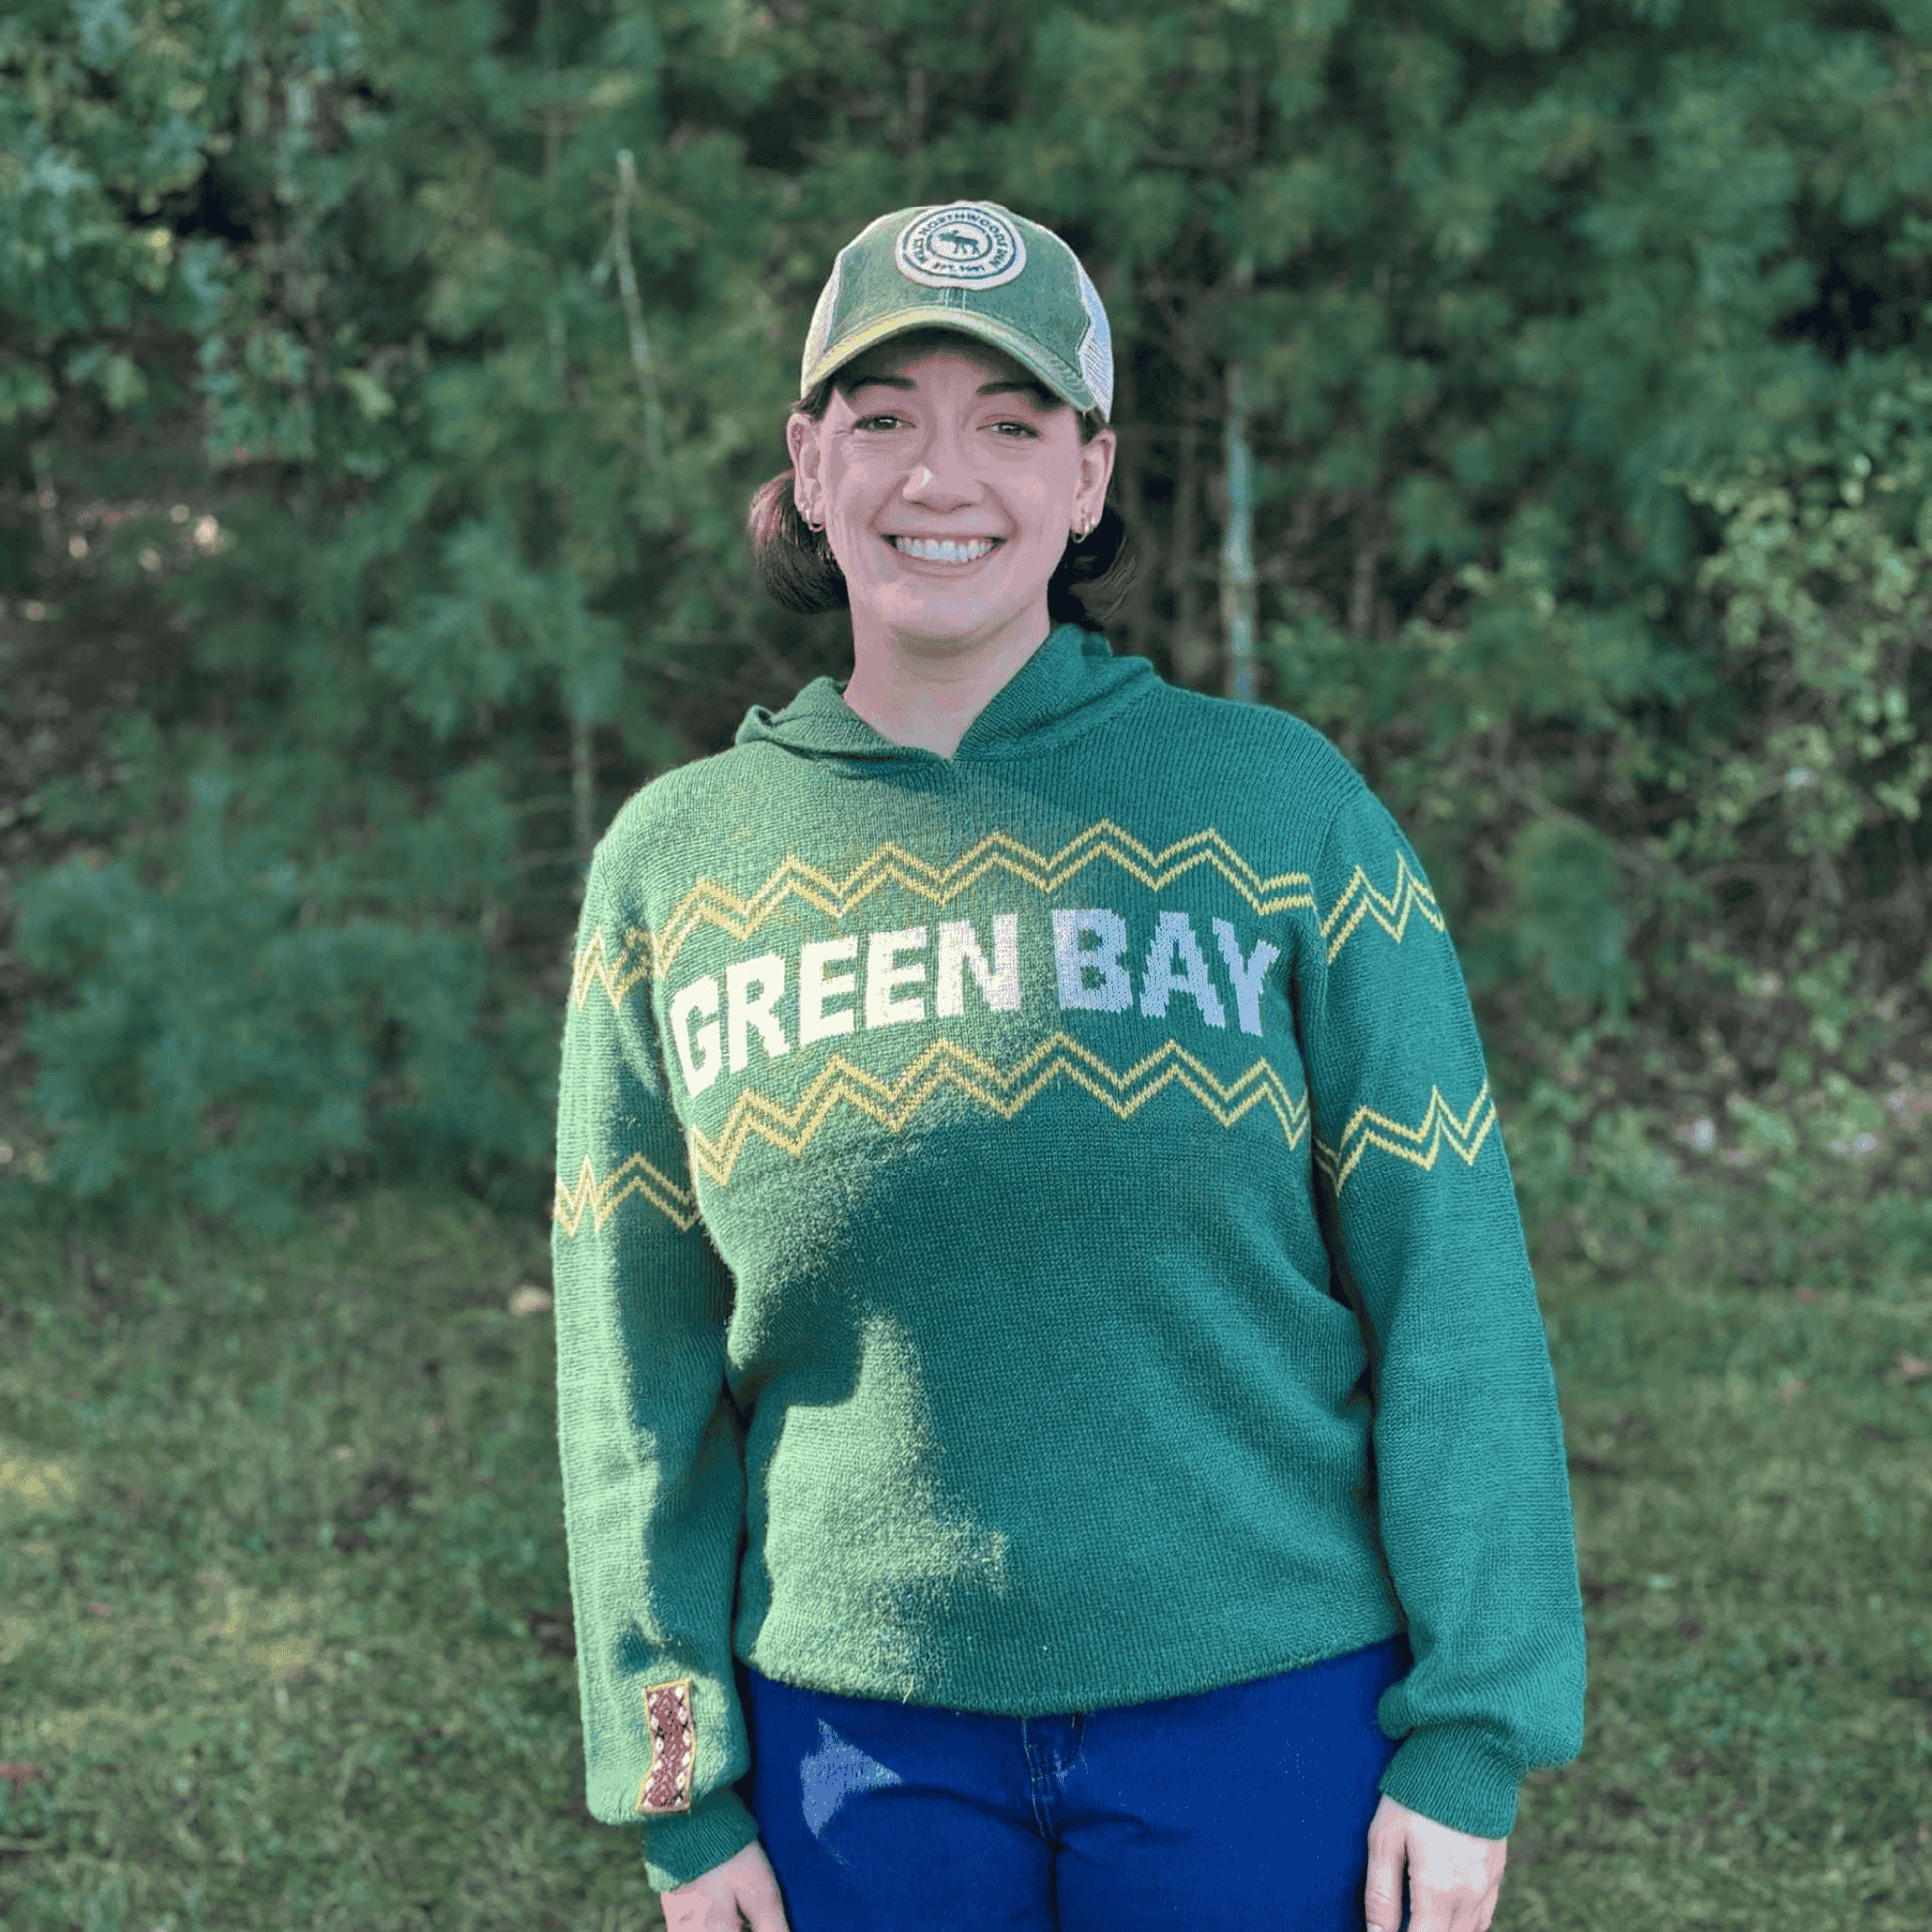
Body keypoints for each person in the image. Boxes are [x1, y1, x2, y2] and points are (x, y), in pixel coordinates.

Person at [551, 200, 1587, 1932]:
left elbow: (1452, 1282)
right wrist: (676, 1785)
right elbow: (631, 1367)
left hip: (1266, 1718)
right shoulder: (676, 871)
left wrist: (1469, 1737)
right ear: (810, 464)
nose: (939, 475)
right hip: (853, 1756)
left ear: (1089, 477)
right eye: (883, 417)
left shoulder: (1279, 813)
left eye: (1010, 423)